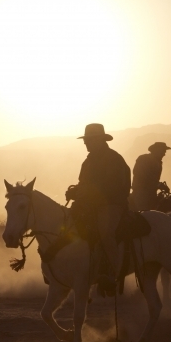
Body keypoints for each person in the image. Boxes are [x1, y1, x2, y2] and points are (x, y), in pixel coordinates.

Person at [66, 123, 131, 293]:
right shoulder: (87, 162)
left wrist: (88, 193)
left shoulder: (114, 159)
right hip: (90, 205)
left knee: (105, 232)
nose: (86, 143)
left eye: (89, 140)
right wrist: (75, 191)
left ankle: (112, 273)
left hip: (111, 204)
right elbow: (83, 183)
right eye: (85, 140)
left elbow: (114, 187)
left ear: (99, 140)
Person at [131, 142, 171, 210]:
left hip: (151, 193)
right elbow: (141, 175)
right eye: (163, 151)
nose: (164, 154)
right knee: (144, 212)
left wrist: (158, 185)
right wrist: (158, 184)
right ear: (157, 151)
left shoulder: (158, 162)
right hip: (141, 193)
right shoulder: (143, 159)